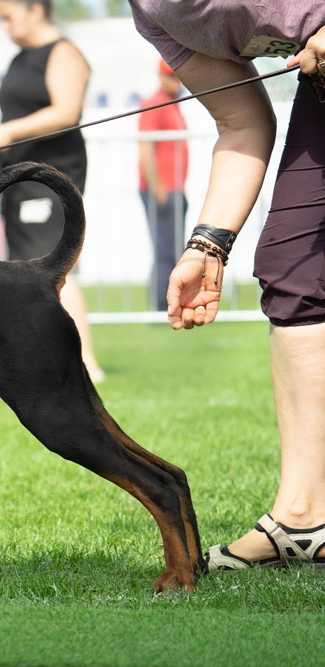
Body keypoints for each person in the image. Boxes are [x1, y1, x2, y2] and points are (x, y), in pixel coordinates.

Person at [129, 0, 325, 569]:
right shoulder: (154, 13)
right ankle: (304, 518)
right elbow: (242, 121)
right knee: (292, 272)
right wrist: (207, 246)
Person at [0, 0, 104, 382]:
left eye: (8, 17)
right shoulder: (20, 59)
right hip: (18, 175)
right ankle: (36, 361)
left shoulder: (63, 52)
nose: (4, 26)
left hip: (52, 176)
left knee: (51, 266)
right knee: (23, 267)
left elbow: (67, 112)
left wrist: (8, 131)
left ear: (35, 9)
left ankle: (86, 364)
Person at [138, 59, 189, 312]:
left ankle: (168, 303)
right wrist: (158, 188)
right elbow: (145, 150)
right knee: (165, 251)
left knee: (172, 249)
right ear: (160, 75)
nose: (176, 81)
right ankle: (162, 306)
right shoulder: (154, 104)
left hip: (173, 189)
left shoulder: (172, 104)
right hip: (161, 191)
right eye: (171, 76)